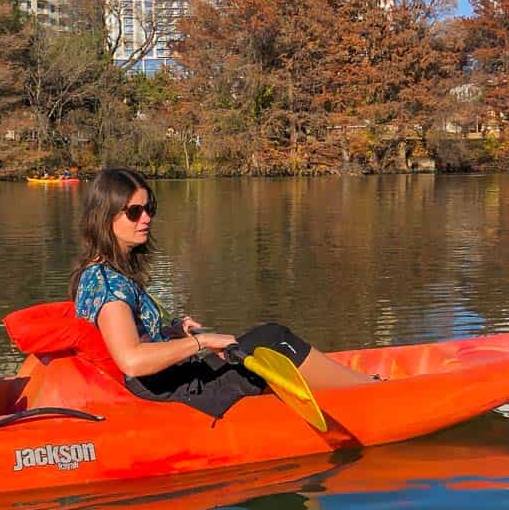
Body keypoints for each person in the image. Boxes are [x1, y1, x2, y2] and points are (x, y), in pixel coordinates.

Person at [69, 168, 374, 419]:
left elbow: (130, 336)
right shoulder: (107, 284)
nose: (146, 218)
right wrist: (200, 342)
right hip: (177, 393)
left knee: (266, 337)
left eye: (150, 208)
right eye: (134, 212)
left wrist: (170, 332)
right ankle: (374, 393)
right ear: (105, 217)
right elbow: (132, 359)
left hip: (172, 382)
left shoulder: (104, 273)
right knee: (274, 339)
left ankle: (355, 387)